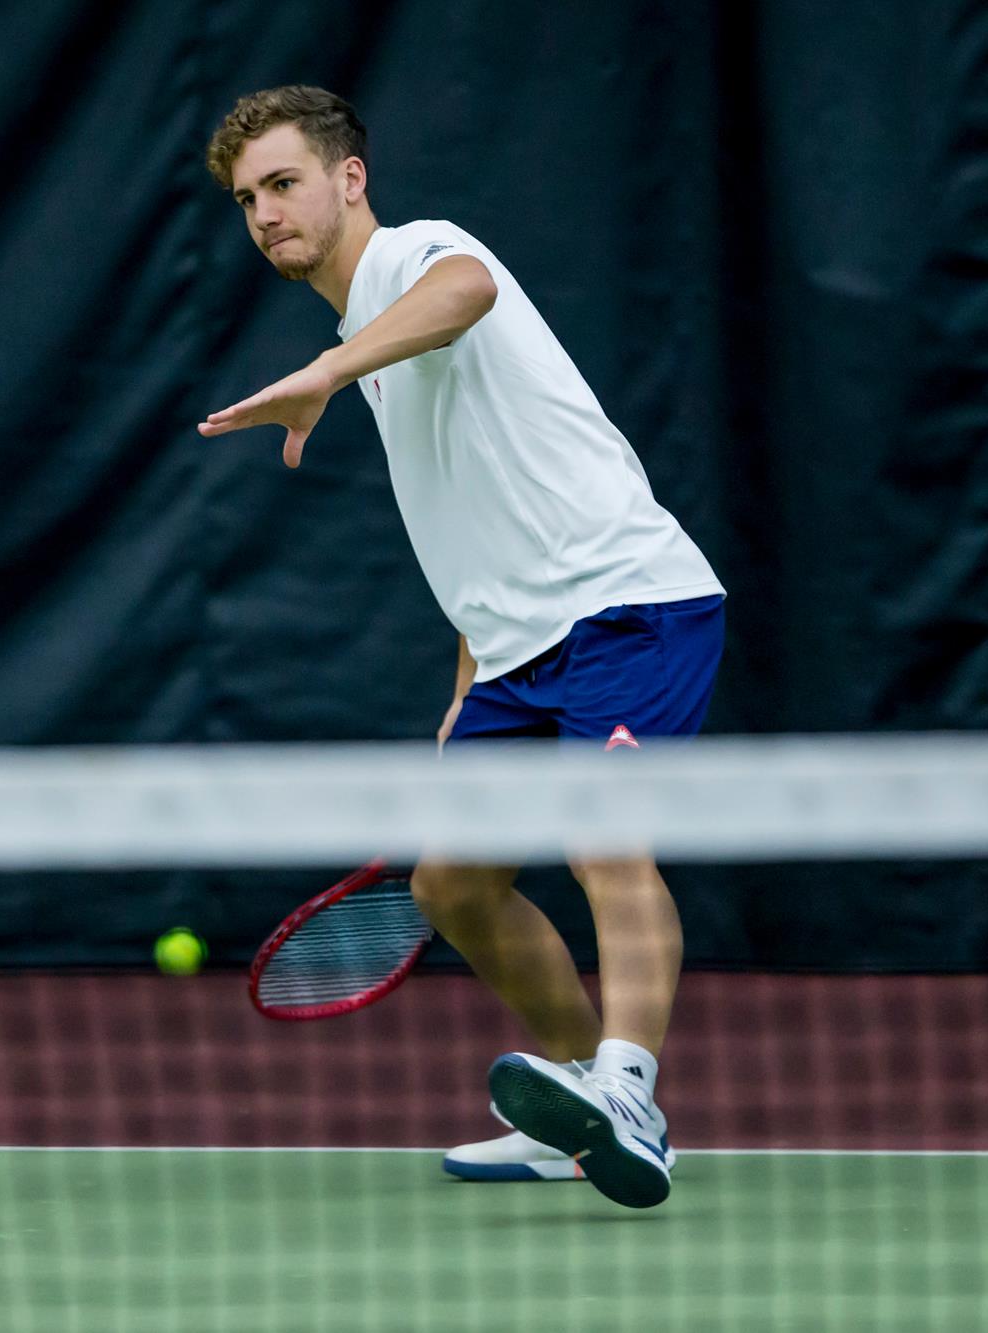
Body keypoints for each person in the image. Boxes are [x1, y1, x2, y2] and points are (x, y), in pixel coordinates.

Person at [199, 86, 725, 1209]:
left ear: (348, 179)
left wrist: (328, 374)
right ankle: (585, 1114)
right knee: (452, 884)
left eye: (283, 183)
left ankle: (628, 1086)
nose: (264, 214)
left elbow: (467, 291)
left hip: (629, 601)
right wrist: (467, 679)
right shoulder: (367, 340)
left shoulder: (415, 259)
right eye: (247, 198)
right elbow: (473, 516)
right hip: (514, 646)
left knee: (601, 834)